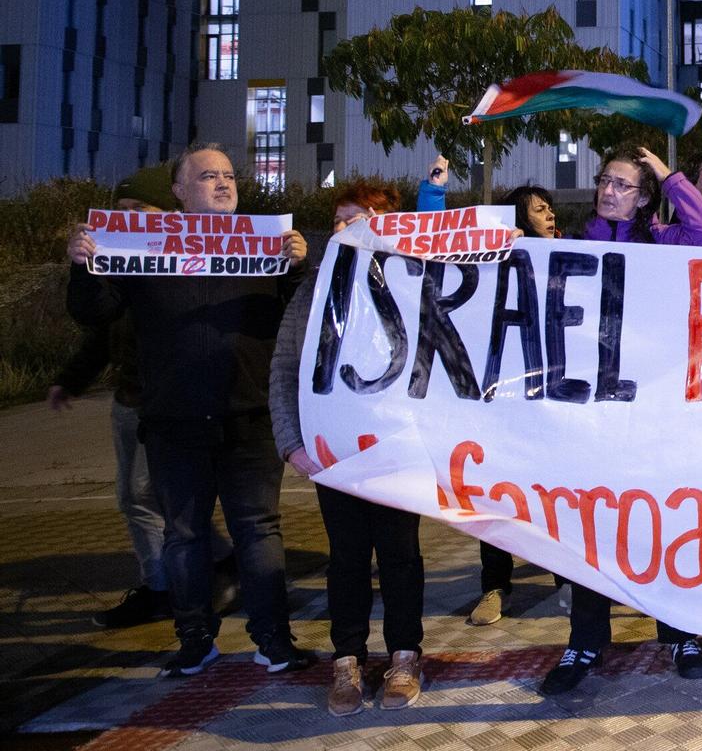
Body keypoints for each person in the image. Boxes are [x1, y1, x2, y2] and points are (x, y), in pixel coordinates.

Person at [66, 142, 313, 678]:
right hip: (175, 421)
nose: (223, 184)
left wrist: (297, 267)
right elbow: (94, 311)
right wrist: (84, 266)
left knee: (259, 531)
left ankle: (273, 639)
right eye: (207, 177)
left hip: (249, 418)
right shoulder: (142, 248)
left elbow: (304, 316)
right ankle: (195, 640)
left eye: (228, 176)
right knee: (185, 536)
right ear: (178, 191)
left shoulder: (264, 246)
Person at [542, 146, 702, 695]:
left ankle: (681, 633)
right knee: (584, 527)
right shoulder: (571, 246)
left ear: (642, 196)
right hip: (591, 413)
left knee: (662, 523)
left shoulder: (661, 241)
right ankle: (587, 639)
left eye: (622, 184)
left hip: (652, 413)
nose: (608, 191)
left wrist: (669, 176)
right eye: (604, 182)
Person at [48, 164, 235, 628]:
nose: (128, 218)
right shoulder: (120, 265)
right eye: (121, 210)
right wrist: (71, 379)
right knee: (149, 498)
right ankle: (200, 572)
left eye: (139, 209)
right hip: (131, 402)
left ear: (167, 211)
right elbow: (100, 329)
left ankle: (171, 587)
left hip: (170, 405)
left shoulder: (178, 261)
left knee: (146, 496)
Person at [269, 175, 429, 716]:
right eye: (337, 219)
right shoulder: (313, 287)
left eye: (356, 217)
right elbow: (285, 366)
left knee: (401, 555)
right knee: (347, 559)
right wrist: (291, 443)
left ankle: (405, 655)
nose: (342, 227)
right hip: (333, 452)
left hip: (394, 451)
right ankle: (348, 659)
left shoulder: (411, 281)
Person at [467, 182, 562, 627]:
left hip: (557, 397)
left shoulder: (575, 250)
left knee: (560, 492)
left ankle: (568, 578)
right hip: (507, 396)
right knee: (498, 491)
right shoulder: (495, 256)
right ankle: (495, 585)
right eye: (538, 210)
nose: (549, 215)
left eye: (549, 209)